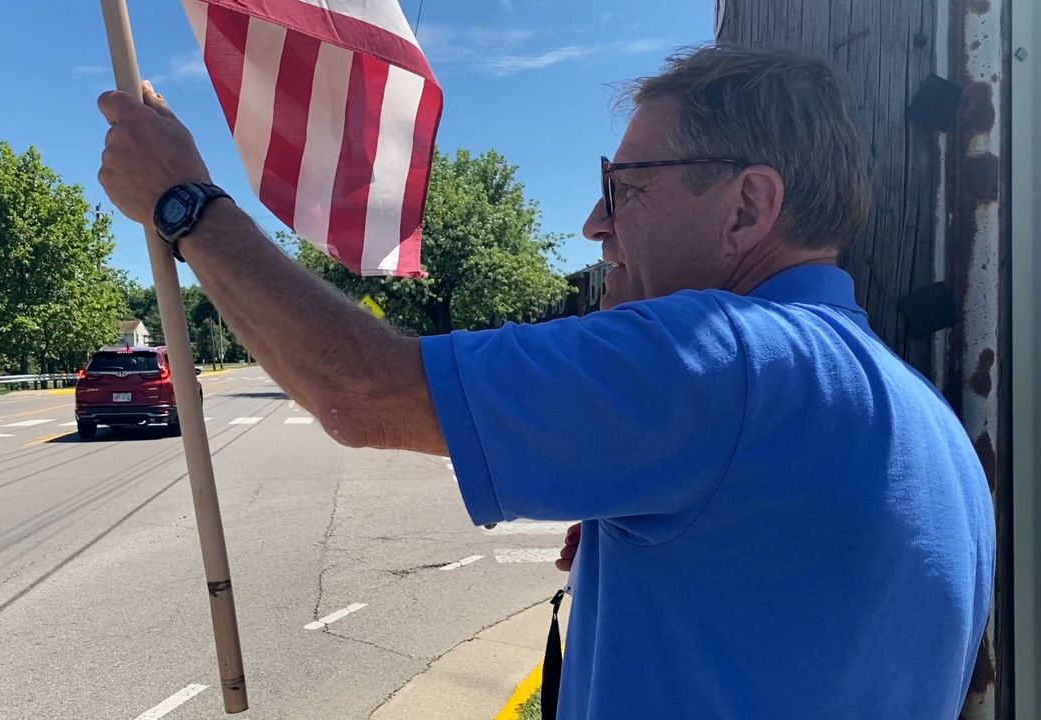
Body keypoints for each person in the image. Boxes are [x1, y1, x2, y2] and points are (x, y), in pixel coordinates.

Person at [97, 45, 994, 719]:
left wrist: (185, 206)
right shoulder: (929, 427)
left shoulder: (728, 357)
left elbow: (358, 389)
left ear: (748, 208)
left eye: (626, 185)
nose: (595, 221)